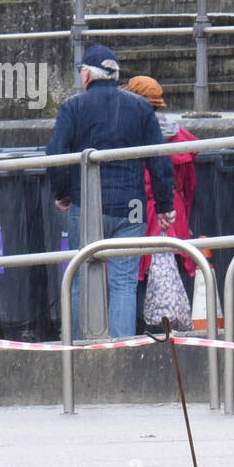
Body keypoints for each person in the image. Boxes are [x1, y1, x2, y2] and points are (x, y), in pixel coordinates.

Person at [46, 46, 174, 339]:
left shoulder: (73, 108)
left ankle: (82, 346)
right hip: (132, 207)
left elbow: (56, 154)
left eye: (81, 71)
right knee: (124, 282)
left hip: (88, 205)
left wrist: (62, 193)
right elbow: (159, 158)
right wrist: (165, 205)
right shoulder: (140, 107)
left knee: (81, 279)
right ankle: (122, 348)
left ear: (88, 75)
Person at [125, 75, 200, 283]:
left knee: (133, 279)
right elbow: (188, 185)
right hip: (173, 213)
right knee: (173, 283)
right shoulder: (179, 138)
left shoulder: (126, 135)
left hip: (138, 211)